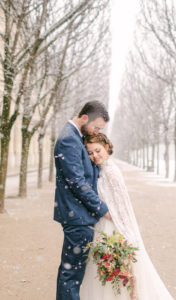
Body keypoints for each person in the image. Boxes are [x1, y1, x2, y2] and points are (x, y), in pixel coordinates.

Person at [80, 133, 174, 300]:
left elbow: (123, 206)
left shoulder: (112, 172)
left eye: (97, 150)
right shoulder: (102, 170)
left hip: (113, 227)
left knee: (118, 273)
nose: (94, 155)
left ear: (107, 147)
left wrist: (126, 233)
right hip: (102, 226)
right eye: (90, 153)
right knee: (104, 272)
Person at [54, 101, 112, 300]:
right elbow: (77, 182)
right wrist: (103, 209)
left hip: (78, 215)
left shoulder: (76, 137)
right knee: (71, 274)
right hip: (77, 216)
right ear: (84, 118)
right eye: (96, 127)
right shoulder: (69, 139)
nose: (95, 131)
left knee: (74, 271)